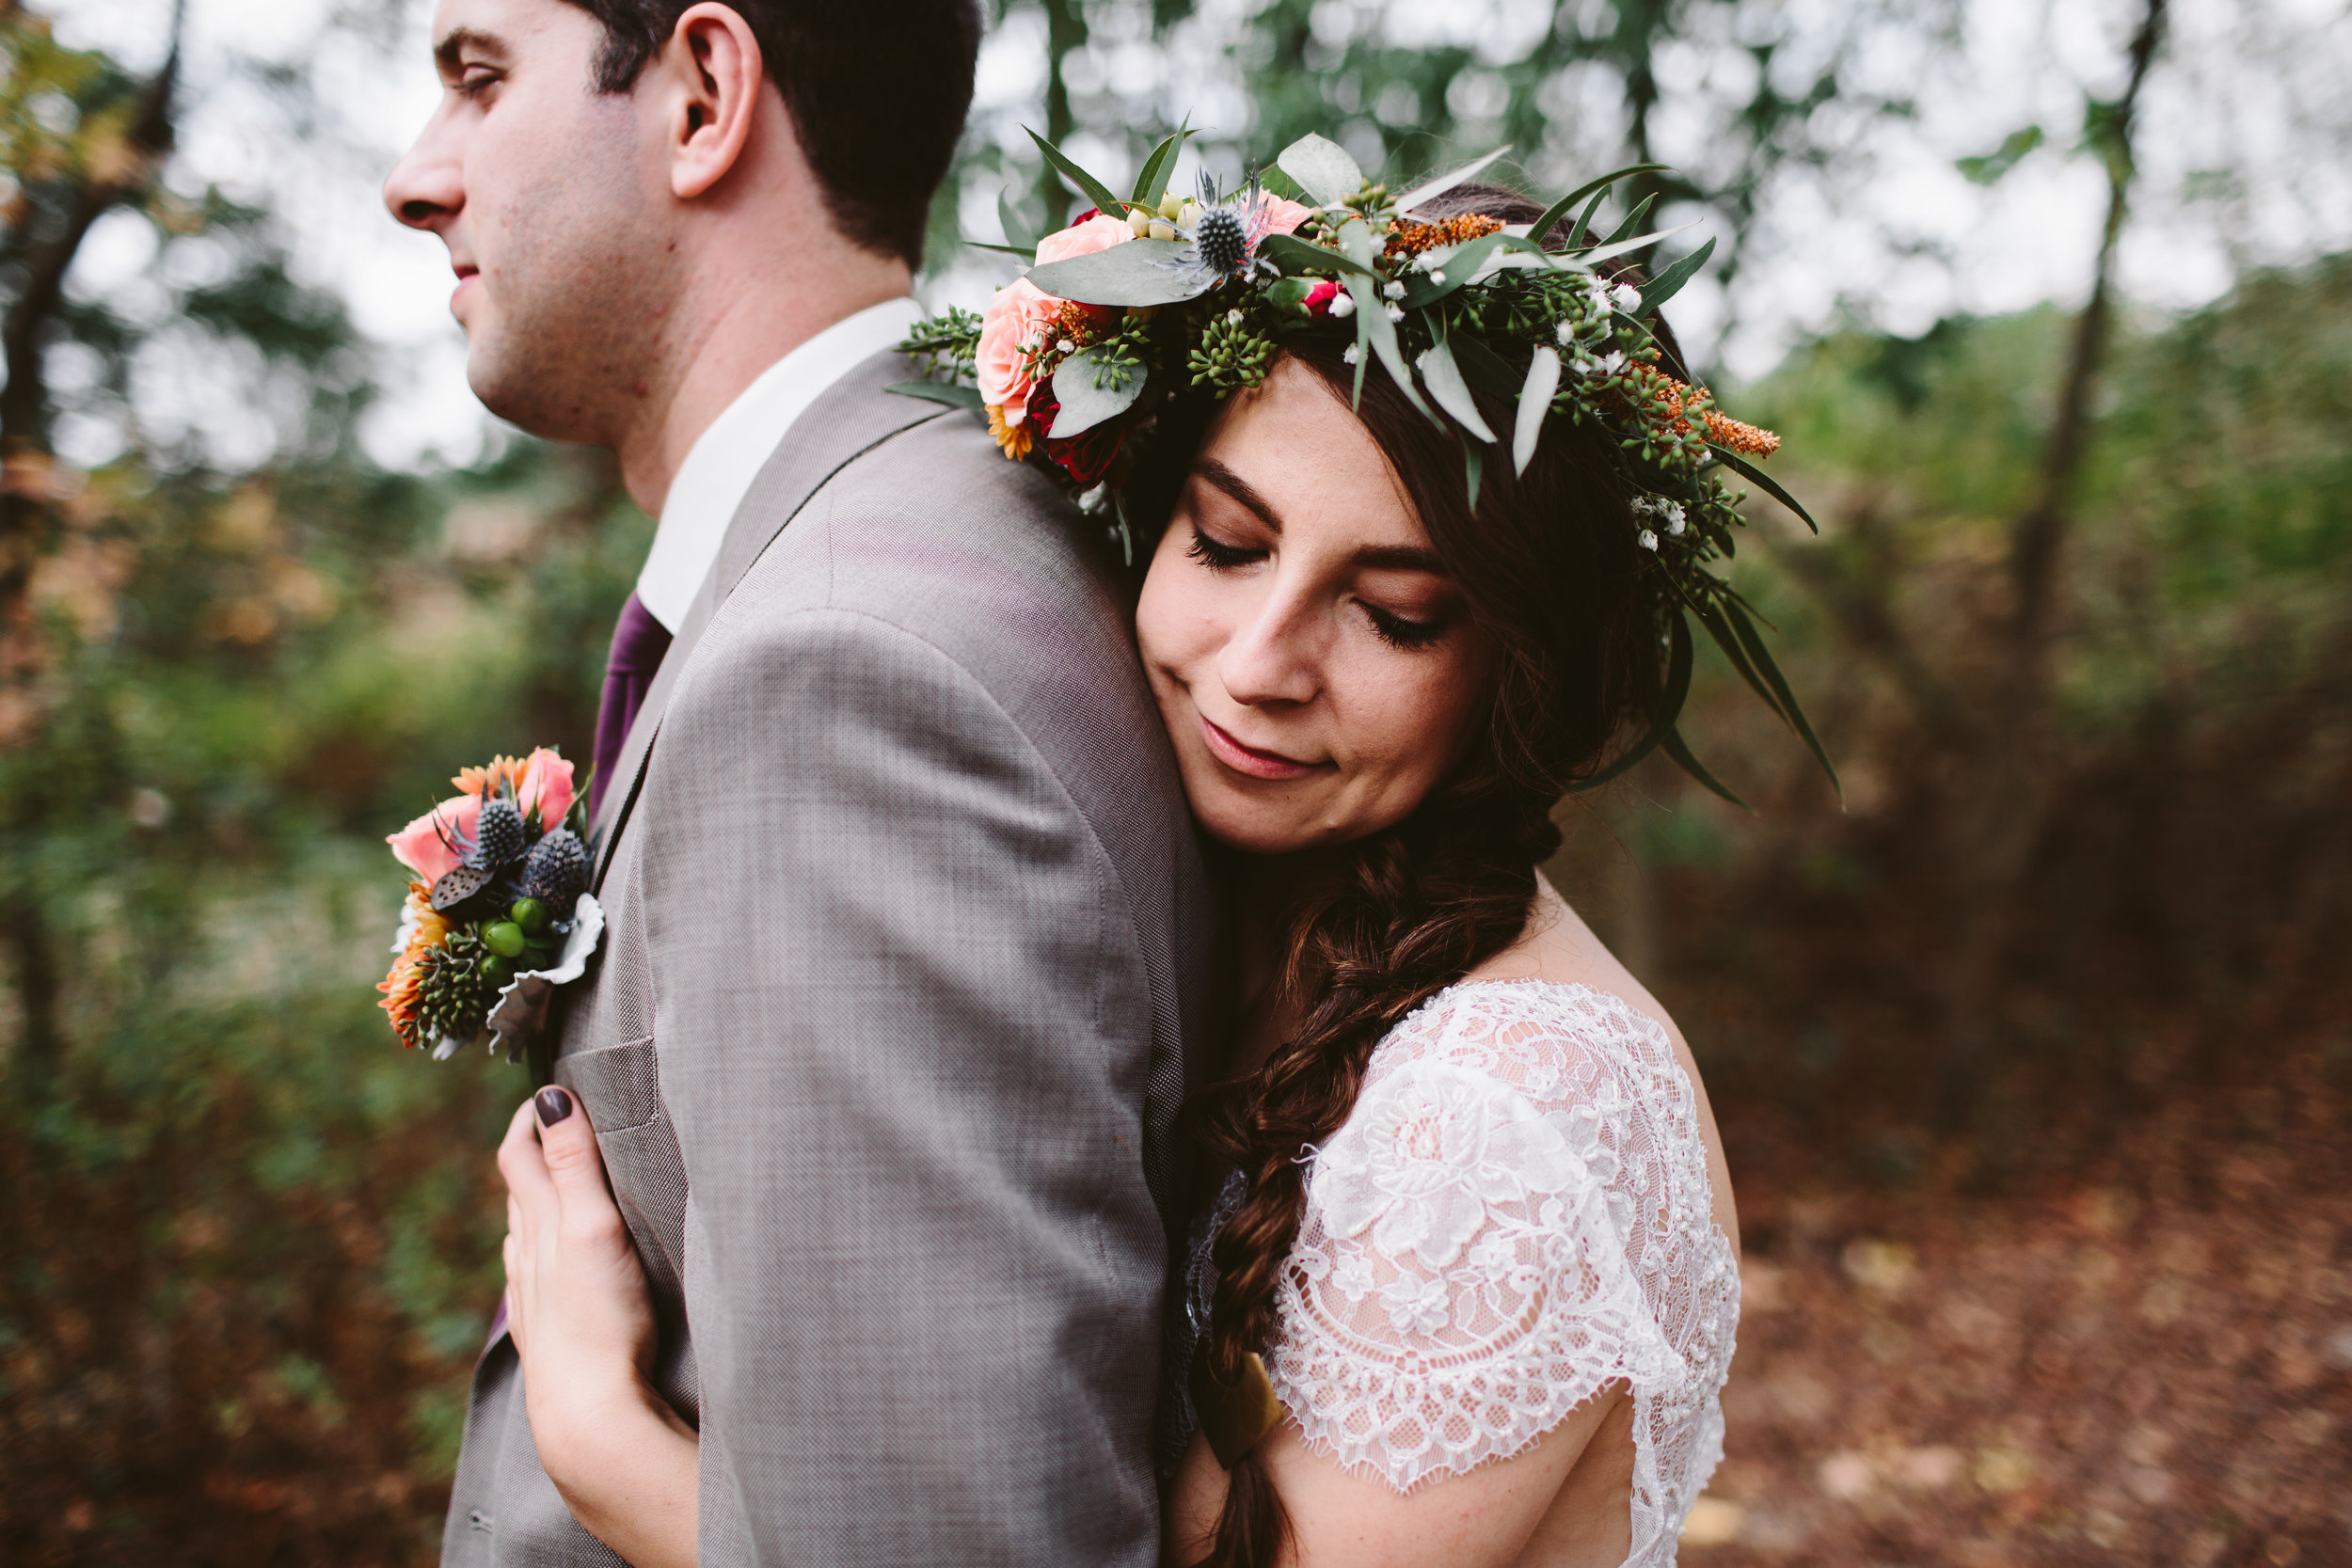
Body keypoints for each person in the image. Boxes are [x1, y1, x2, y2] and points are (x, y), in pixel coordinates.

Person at [498, 161, 1786, 1566]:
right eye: (1228, 544)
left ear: (1520, 678)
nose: (1258, 666)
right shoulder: (1216, 923)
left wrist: (605, 1450)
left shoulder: (1515, 1112)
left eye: (1397, 616)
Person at [384, 3, 1216, 1566]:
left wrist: (595, 1438)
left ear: (703, 94)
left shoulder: (843, 675)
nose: (417, 181)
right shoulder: (956, 519)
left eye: (481, 80)